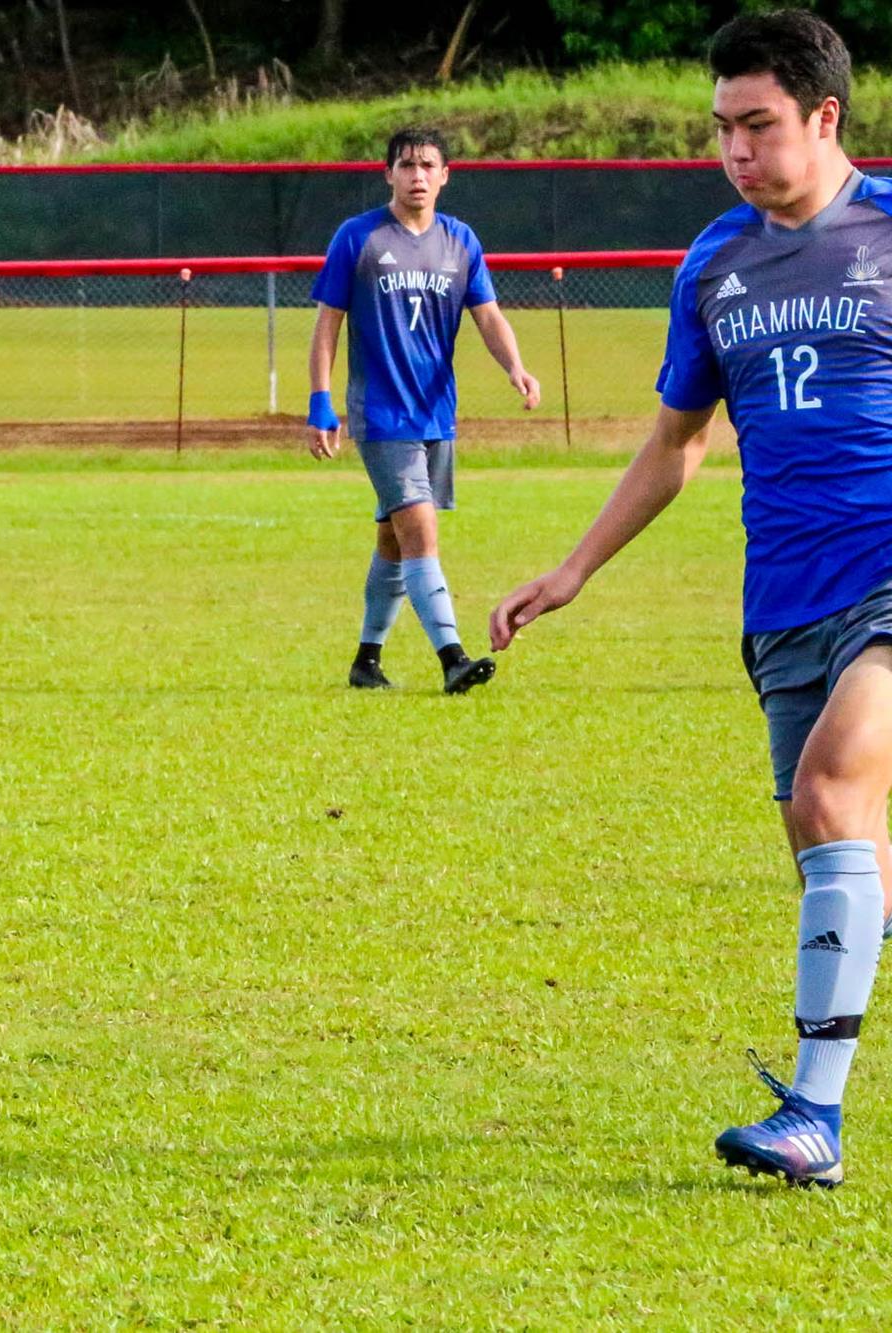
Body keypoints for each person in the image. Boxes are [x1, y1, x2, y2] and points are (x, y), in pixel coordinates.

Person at [492, 10, 892, 1188]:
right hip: (781, 598)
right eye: (719, 129)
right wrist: (571, 569)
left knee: (831, 788)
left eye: (756, 125)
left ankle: (810, 1121)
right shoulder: (712, 262)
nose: (733, 150)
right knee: (839, 849)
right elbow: (676, 443)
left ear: (823, 116)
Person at [306, 127, 541, 694]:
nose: (416, 175)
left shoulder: (460, 241)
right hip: (381, 415)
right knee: (420, 531)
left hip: (436, 413)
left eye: (427, 165)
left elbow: (487, 315)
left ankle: (367, 661)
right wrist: (321, 401)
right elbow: (327, 324)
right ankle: (453, 658)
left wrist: (515, 366)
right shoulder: (357, 238)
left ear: (444, 176)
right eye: (406, 165)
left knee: (394, 538)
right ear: (388, 173)